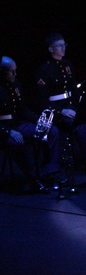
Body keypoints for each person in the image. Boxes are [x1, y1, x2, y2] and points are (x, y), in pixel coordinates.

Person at [1, 56, 60, 192]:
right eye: (11, 71)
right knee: (17, 142)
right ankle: (33, 179)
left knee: (51, 130)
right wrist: (9, 131)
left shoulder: (16, 84)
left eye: (15, 71)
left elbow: (22, 109)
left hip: (18, 124)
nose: (15, 74)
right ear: (2, 72)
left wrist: (38, 120)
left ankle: (51, 172)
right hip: (5, 129)